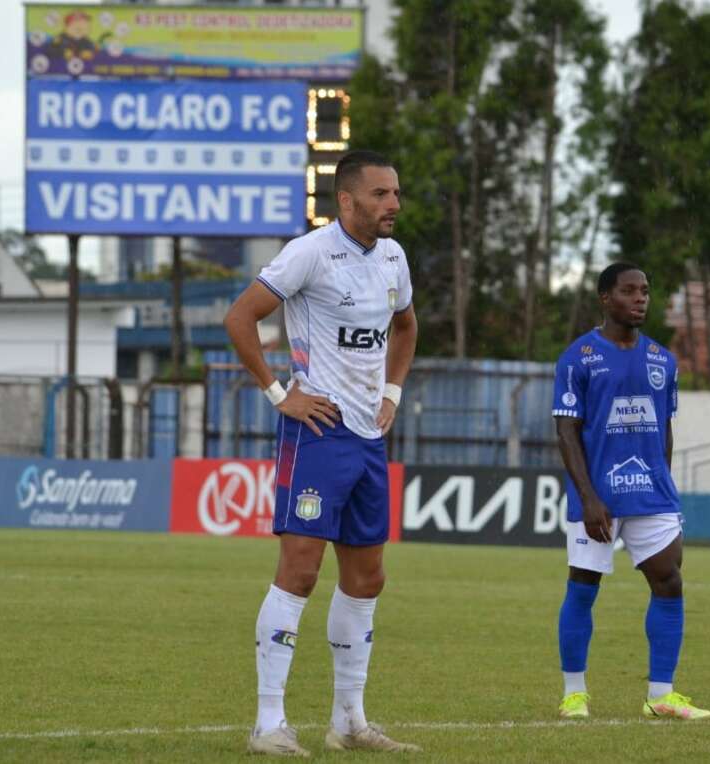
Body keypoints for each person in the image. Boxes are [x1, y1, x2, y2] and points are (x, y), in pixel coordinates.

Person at [224, 150, 420, 756]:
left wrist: (391, 390)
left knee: (368, 578)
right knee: (301, 571)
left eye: (395, 193)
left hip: (367, 439)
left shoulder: (393, 257)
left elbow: (406, 325)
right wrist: (283, 395)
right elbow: (240, 318)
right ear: (348, 200)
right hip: (317, 433)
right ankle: (267, 724)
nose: (393, 204)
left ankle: (349, 722)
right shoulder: (310, 251)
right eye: (382, 194)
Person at [552, 262, 710, 722]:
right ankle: (574, 693)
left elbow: (664, 428)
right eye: (629, 291)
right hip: (598, 495)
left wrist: (663, 481)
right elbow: (567, 432)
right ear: (606, 298)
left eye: (645, 290)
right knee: (583, 588)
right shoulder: (578, 357)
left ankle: (661, 695)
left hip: (651, 492)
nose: (641, 298)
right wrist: (588, 498)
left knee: (670, 581)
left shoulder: (663, 359)